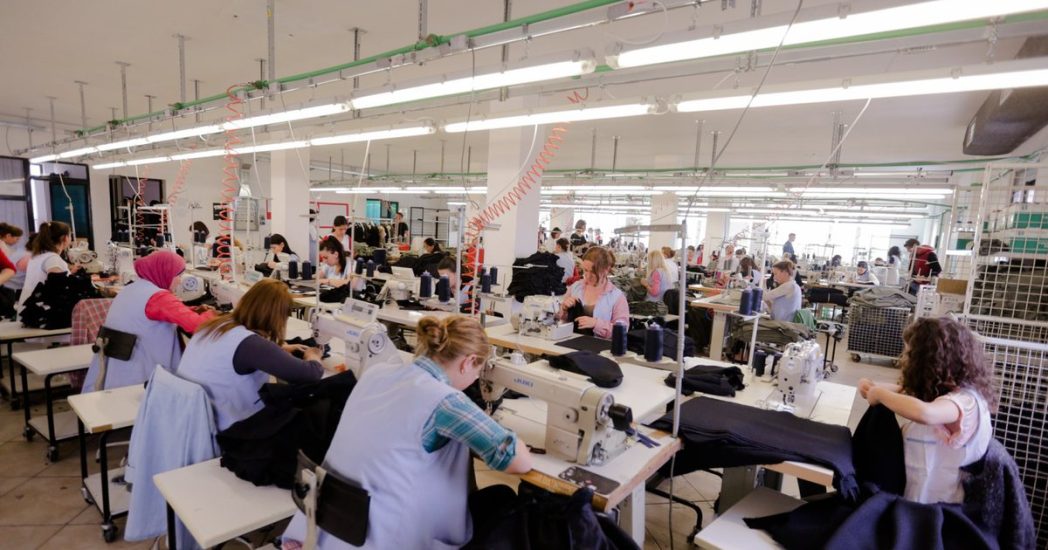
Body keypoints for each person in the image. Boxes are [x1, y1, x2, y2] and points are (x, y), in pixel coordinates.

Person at [281, 315, 533, 549]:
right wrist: (514, 438)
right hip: (385, 536)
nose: (475, 380)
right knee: (504, 500)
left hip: (329, 525)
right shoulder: (446, 402)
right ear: (468, 362)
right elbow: (516, 461)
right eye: (477, 373)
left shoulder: (375, 373)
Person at [858, 317, 994, 504]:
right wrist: (869, 387)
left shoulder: (967, 402)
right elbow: (902, 393)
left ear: (930, 362)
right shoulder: (941, 393)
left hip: (941, 510)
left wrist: (879, 394)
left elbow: (925, 413)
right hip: (915, 502)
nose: (904, 360)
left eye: (910, 355)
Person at [177, 279, 324, 431]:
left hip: (193, 419)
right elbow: (311, 374)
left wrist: (280, 348)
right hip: (229, 428)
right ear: (278, 316)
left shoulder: (217, 324)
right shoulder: (251, 345)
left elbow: (240, 350)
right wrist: (313, 355)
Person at [82, 251, 217, 391]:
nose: (180, 281)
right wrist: (215, 314)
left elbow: (161, 311)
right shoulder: (158, 297)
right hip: (141, 375)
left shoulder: (131, 289)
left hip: (117, 371)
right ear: (164, 272)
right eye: (178, 275)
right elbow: (197, 325)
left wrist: (193, 310)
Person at [558, 247, 629, 339]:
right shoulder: (575, 287)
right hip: (570, 342)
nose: (587, 276)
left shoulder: (617, 297)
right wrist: (564, 309)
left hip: (600, 346)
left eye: (593, 272)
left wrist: (596, 324)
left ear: (606, 270)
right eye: (585, 270)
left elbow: (622, 330)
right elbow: (559, 318)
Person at [18, 221, 77, 309]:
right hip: (40, 311)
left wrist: (70, 273)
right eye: (70, 235)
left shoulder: (38, 256)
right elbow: (58, 289)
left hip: (28, 309)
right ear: (65, 238)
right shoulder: (53, 259)